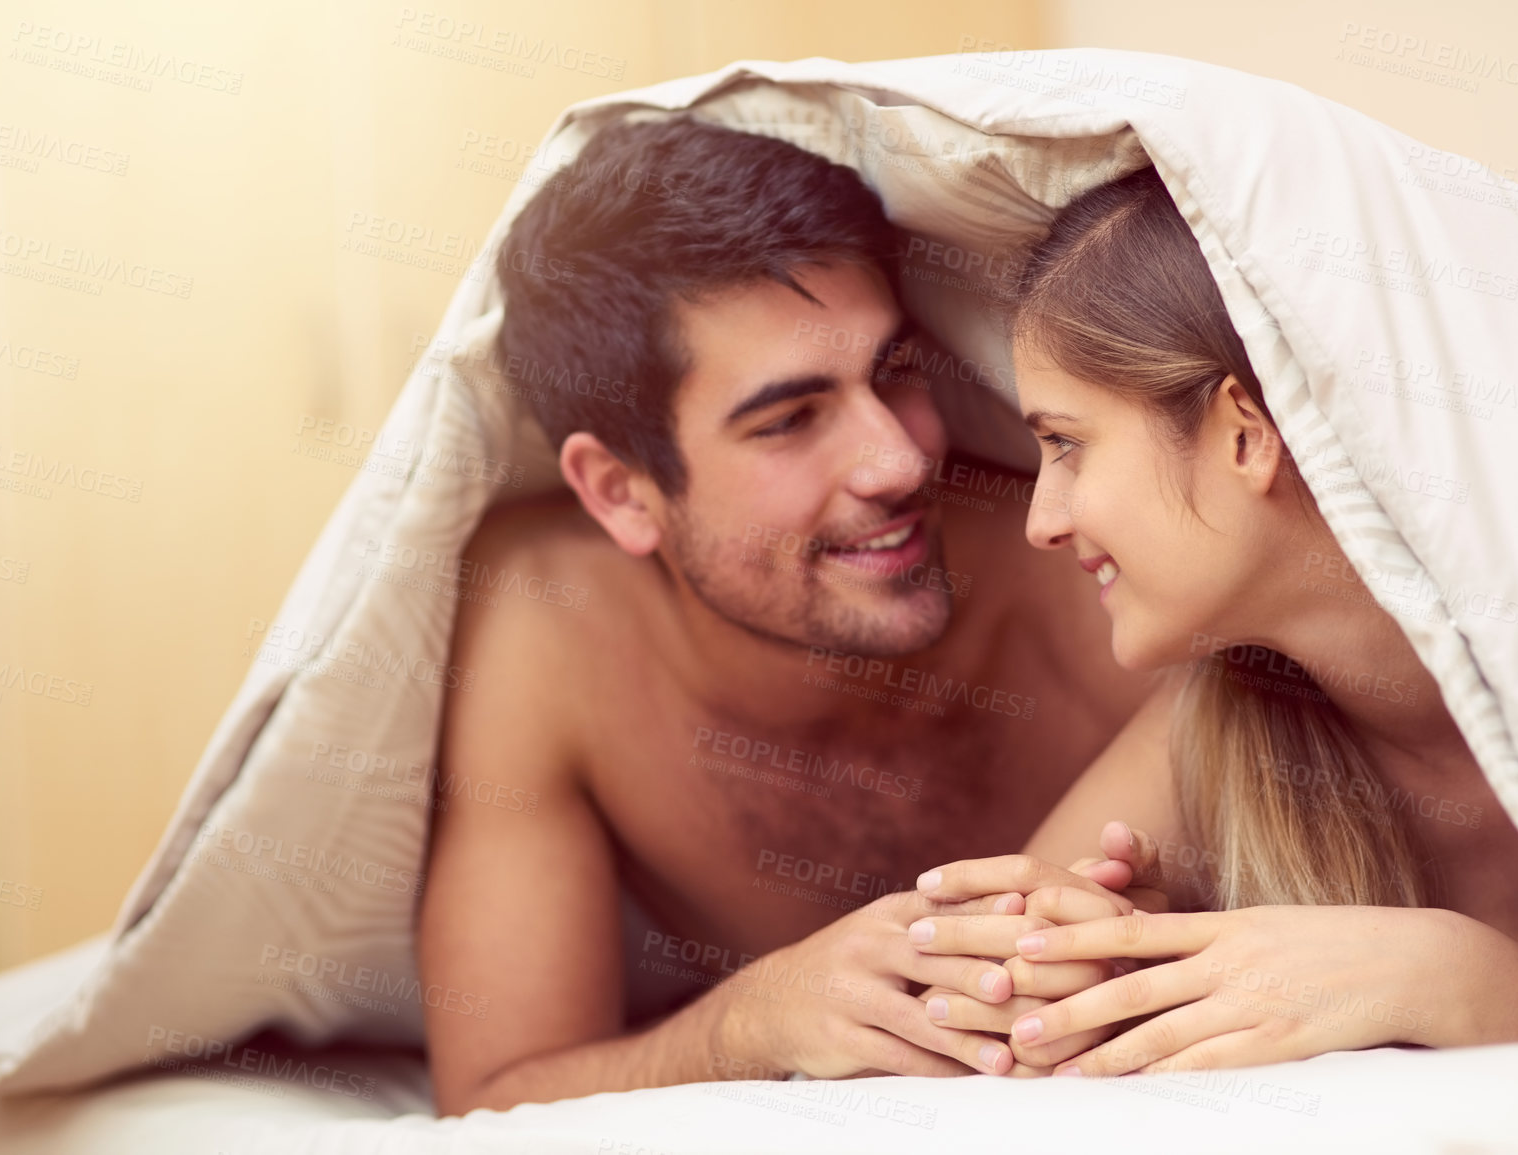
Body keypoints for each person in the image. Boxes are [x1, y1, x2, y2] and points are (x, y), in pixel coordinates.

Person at [904, 163, 1518, 1076]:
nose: (1041, 520)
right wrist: (1103, 988)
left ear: (1244, 432)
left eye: (1066, 444)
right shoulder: (1212, 732)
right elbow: (961, 1038)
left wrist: (1452, 981)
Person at [414, 117, 1154, 1114]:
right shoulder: (553, 630)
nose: (897, 462)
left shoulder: (1090, 574)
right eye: (790, 419)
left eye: (895, 371)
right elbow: (499, 1096)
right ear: (622, 492)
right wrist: (752, 1019)